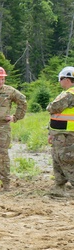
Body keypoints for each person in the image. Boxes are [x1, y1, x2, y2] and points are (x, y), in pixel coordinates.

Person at [47, 66, 74, 195]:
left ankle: (65, 185)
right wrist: (51, 133)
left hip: (67, 134)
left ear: (67, 79)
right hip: (59, 133)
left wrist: (49, 106)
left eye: (60, 79)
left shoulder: (70, 94)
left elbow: (53, 107)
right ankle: (59, 186)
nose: (60, 82)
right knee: (58, 158)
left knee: (66, 159)